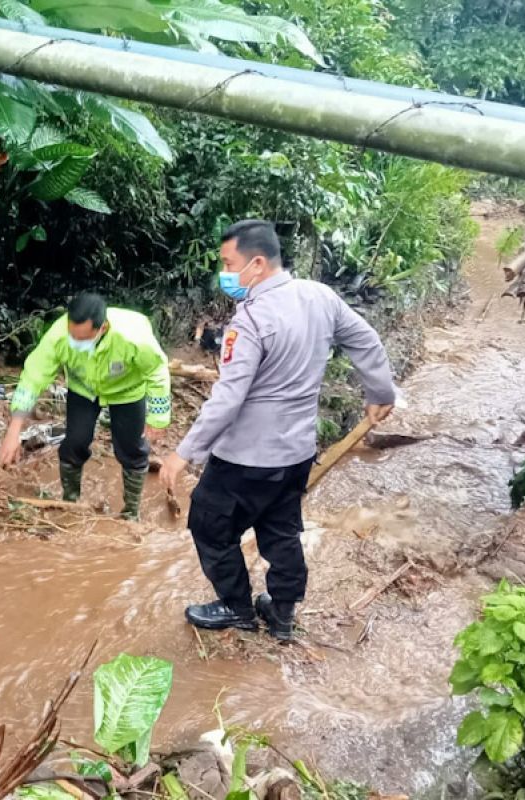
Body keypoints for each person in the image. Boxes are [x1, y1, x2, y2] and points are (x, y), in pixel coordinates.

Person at [160, 220, 396, 641]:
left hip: (245, 460)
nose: (225, 273)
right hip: (297, 452)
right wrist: (379, 391)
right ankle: (282, 613)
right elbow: (366, 341)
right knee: (281, 528)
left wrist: (184, 452)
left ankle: (236, 608)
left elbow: (228, 398)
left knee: (209, 525)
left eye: (229, 264)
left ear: (256, 263)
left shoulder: (251, 320)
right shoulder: (319, 297)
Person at [0, 292, 171, 520]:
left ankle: (131, 513)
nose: (76, 342)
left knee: (132, 450)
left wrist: (158, 418)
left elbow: (157, 372)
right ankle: (70, 502)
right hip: (83, 389)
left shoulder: (133, 338)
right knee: (75, 442)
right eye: (73, 336)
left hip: (127, 392)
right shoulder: (58, 336)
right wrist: (14, 429)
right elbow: (33, 377)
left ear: (103, 328)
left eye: (83, 339)